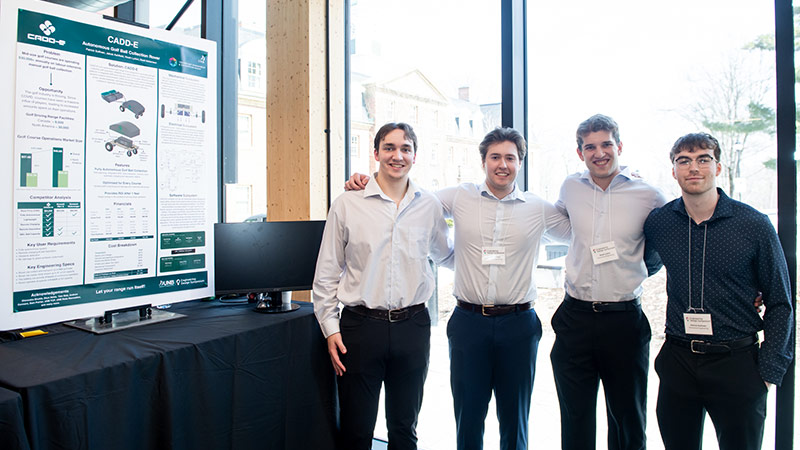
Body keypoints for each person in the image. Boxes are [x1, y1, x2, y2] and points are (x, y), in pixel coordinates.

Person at [346, 127, 571, 450]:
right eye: (495, 157)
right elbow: (406, 197)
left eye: (510, 157)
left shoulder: (537, 208)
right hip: (469, 324)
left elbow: (576, 230)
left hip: (519, 325)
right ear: (483, 161)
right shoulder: (458, 197)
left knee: (515, 418)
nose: (502, 164)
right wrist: (366, 181)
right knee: (468, 416)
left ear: (520, 162)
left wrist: (614, 189)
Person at [643, 132, 793, 450]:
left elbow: (781, 301)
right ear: (674, 171)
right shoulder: (660, 223)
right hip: (679, 360)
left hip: (737, 363)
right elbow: (645, 265)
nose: (693, 167)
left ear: (718, 167)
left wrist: (768, 371)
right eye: (683, 160)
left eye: (703, 159)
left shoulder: (753, 224)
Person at [312, 122, 454, 450]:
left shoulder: (428, 205)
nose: (397, 155)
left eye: (405, 149)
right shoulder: (348, 203)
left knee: (405, 429)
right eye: (389, 148)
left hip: (413, 327)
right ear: (375, 154)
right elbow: (326, 273)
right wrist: (331, 329)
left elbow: (445, 255)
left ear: (414, 156)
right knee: (356, 429)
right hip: (360, 329)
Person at [550, 114, 666, 450]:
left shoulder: (649, 194)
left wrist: (631, 269)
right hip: (575, 318)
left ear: (619, 146)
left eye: (605, 144)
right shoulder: (571, 187)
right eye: (590, 147)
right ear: (580, 152)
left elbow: (659, 249)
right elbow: (559, 222)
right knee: (575, 418)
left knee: (627, 418)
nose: (599, 153)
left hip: (623, 321)